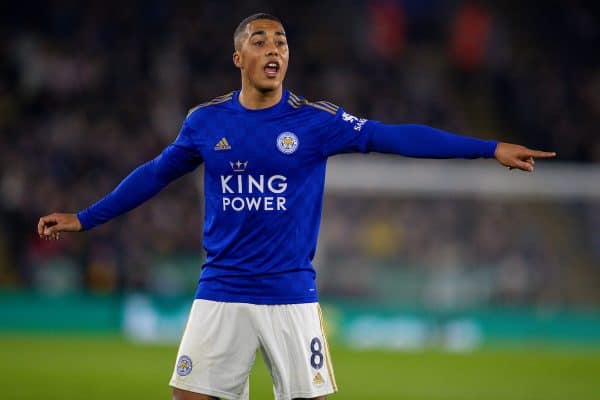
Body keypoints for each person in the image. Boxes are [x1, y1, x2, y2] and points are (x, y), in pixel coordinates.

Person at [37, 13, 556, 400]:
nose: (273, 48)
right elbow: (153, 174)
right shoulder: (205, 122)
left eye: (281, 41)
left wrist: (487, 148)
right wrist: (86, 217)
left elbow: (393, 136)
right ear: (238, 58)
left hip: (290, 296)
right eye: (259, 40)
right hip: (220, 292)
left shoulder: (316, 122)